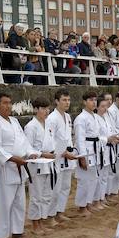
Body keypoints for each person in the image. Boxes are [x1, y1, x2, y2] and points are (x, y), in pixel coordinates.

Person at [0, 91, 36, 238]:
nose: (8, 106)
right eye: (5, 103)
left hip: (19, 167)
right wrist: (14, 159)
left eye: (10, 103)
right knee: (3, 204)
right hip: (5, 169)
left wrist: (31, 154)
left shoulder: (14, 121)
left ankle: (17, 231)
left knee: (19, 201)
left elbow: (23, 142)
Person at [24, 97, 57, 232]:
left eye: (47, 108)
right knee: (36, 196)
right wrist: (43, 154)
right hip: (36, 164)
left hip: (49, 163)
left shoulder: (49, 124)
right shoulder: (30, 127)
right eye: (43, 108)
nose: (46, 111)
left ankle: (42, 221)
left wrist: (54, 152)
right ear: (36, 109)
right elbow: (27, 148)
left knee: (46, 194)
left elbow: (52, 142)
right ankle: (35, 224)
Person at [45, 88, 77, 221]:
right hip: (57, 157)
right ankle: (50, 215)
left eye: (68, 100)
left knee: (65, 186)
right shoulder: (52, 118)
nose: (67, 102)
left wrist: (70, 151)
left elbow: (68, 137)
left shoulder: (68, 116)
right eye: (64, 100)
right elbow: (50, 139)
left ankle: (59, 212)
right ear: (56, 101)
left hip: (67, 155)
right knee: (55, 188)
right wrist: (61, 152)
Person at [73, 90, 101, 216]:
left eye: (95, 100)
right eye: (91, 100)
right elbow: (79, 138)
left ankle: (88, 202)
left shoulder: (94, 116)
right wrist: (82, 157)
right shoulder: (81, 118)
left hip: (95, 149)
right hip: (86, 150)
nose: (94, 102)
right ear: (84, 102)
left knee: (93, 178)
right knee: (84, 180)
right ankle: (81, 206)